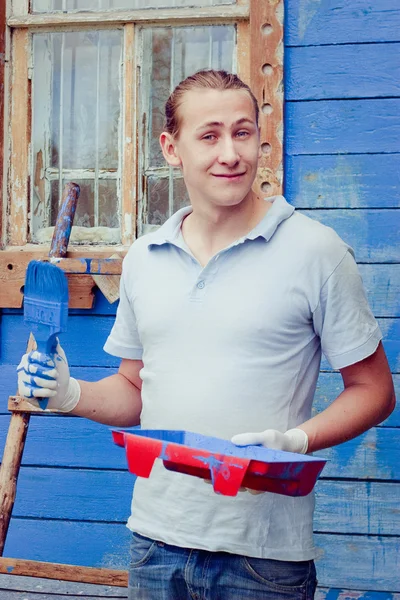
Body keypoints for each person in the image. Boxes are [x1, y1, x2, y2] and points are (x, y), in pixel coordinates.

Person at [17, 70, 395, 600]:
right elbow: (134, 389)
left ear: (261, 141)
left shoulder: (315, 251)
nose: (230, 153)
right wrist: (70, 393)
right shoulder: (145, 259)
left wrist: (294, 441)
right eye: (210, 135)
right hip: (154, 545)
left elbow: (375, 391)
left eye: (243, 132)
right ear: (171, 148)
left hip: (264, 559)